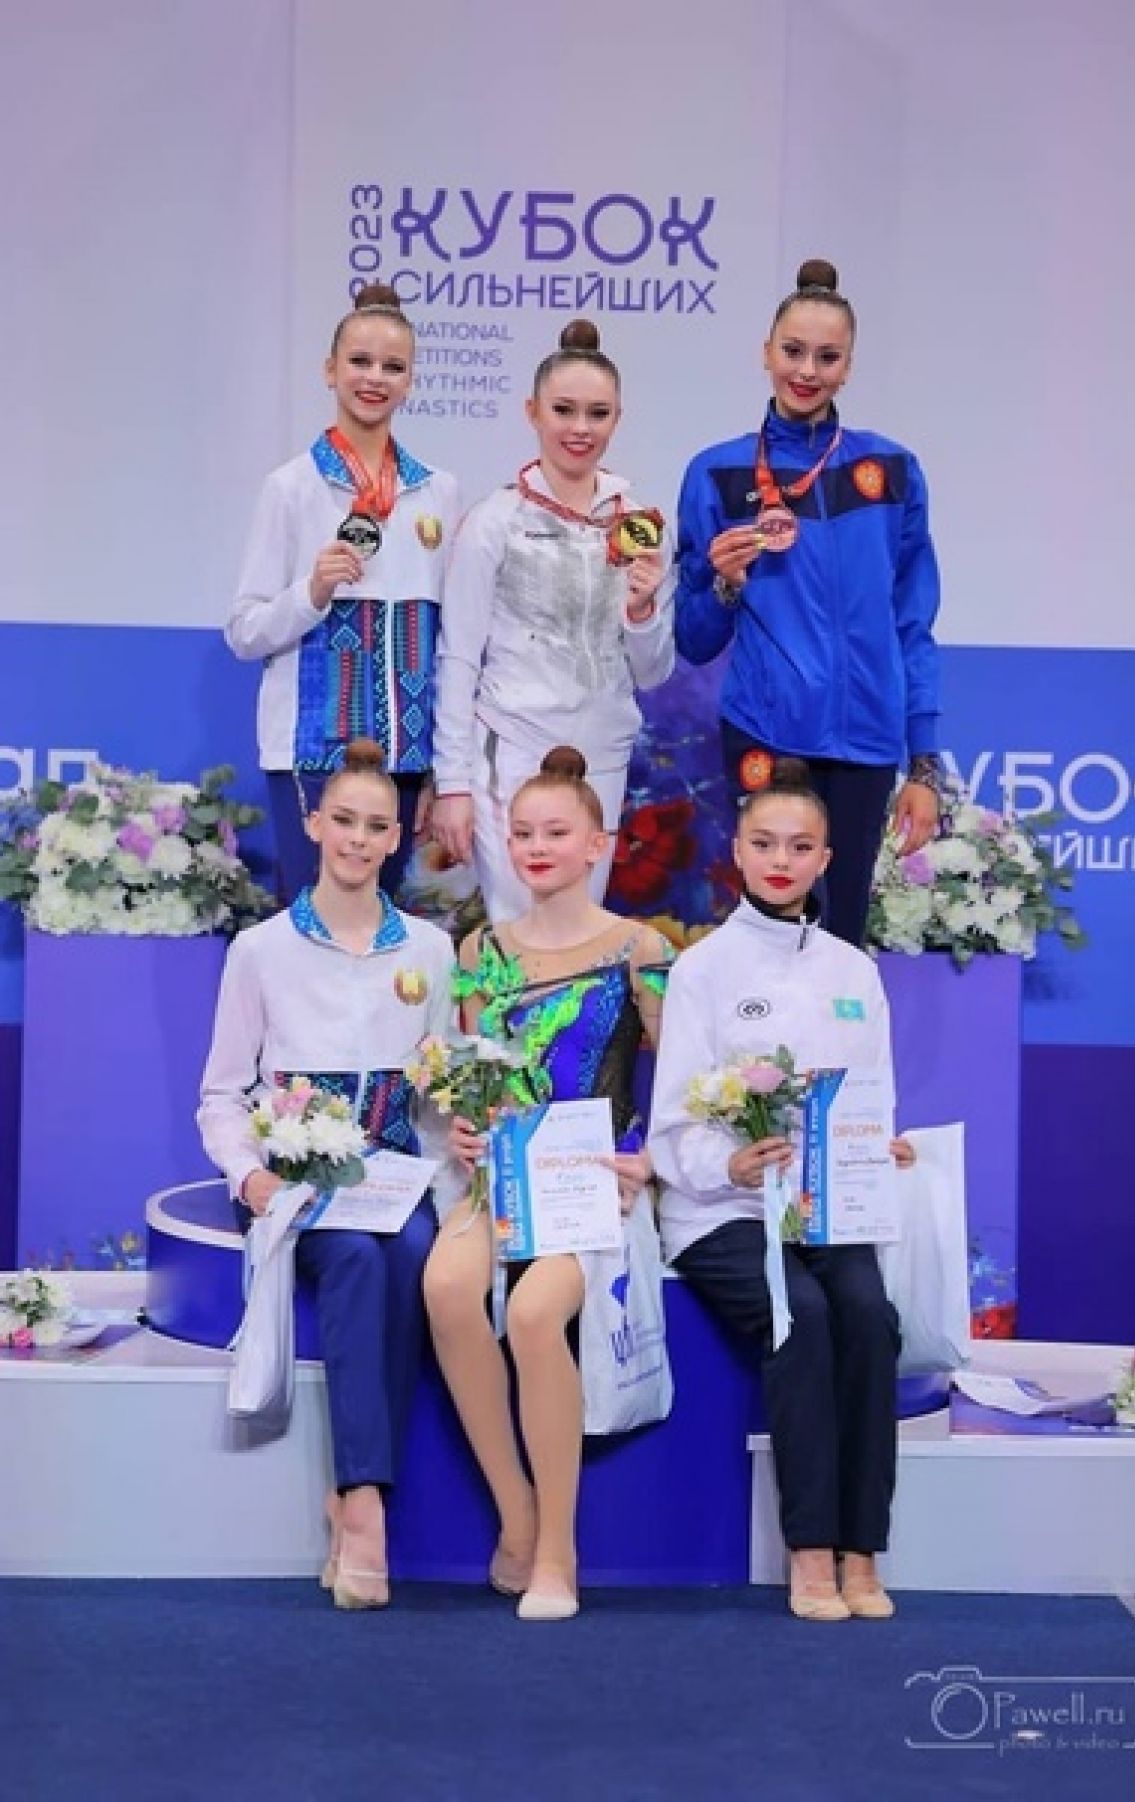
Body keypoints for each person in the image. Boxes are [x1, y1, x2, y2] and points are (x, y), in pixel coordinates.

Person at [197, 739, 456, 1610]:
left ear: (398, 837)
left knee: (411, 1256)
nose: (357, 839)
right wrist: (249, 1179)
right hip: (298, 1187)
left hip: (398, 1179)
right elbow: (220, 1095)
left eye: (376, 826)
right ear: (312, 823)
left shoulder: (430, 948)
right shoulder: (260, 950)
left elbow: (438, 1092)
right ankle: (367, 1504)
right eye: (343, 820)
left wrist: (451, 1177)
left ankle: (351, 1500)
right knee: (351, 1258)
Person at [422, 747, 673, 1621]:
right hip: (503, 1175)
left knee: (534, 1314)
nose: (536, 848)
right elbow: (474, 1074)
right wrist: (463, 1129)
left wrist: (649, 1159)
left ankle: (559, 1553)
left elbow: (686, 1075)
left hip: (592, 1181)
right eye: (523, 833)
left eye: (556, 833)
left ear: (597, 843)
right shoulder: (481, 949)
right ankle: (518, 1513)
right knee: (445, 1288)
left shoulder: (641, 948)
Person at [648, 758, 902, 1621]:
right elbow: (673, 1125)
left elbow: (874, 1098)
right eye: (765, 844)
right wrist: (729, 1165)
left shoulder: (853, 972)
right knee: (804, 1316)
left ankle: (863, 1548)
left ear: (827, 858)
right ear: (738, 852)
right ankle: (811, 1551)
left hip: (825, 1209)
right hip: (721, 1211)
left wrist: (879, 1150)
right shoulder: (703, 970)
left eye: (800, 847)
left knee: (869, 1317)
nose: (781, 861)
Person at [674, 257, 942, 947]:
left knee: (840, 932)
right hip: (765, 730)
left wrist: (924, 763)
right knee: (765, 927)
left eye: (827, 357)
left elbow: (913, 624)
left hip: (865, 737)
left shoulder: (892, 472)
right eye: (793, 351)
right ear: (766, 352)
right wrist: (725, 584)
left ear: (848, 366)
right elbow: (694, 640)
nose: (807, 371)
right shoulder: (717, 472)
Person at [429, 320, 674, 923]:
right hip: (512, 746)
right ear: (532, 412)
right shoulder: (495, 521)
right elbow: (458, 657)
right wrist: (453, 783)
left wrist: (642, 611)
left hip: (603, 751)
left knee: (581, 924)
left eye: (598, 414)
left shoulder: (639, 524)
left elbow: (652, 671)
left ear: (618, 419)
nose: (580, 429)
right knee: (518, 923)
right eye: (564, 410)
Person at [228, 283, 460, 902]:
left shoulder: (438, 492)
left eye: (393, 366)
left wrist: (437, 767)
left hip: (403, 757)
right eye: (360, 361)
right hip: (310, 750)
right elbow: (244, 632)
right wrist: (312, 591)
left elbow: (446, 642)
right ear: (329, 370)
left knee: (382, 923)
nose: (374, 378)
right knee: (310, 919)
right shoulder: (291, 488)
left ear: (411, 381)